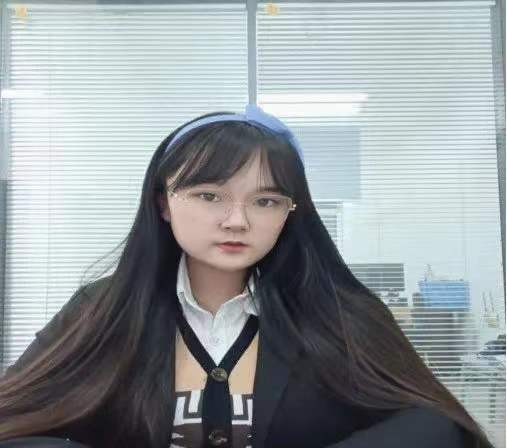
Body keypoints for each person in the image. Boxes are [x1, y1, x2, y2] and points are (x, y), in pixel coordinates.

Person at [0, 105, 495, 448]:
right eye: (209, 195)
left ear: (289, 213)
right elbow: (13, 420)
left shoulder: (340, 313)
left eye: (265, 201)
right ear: (163, 203)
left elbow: (438, 425)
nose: (237, 220)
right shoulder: (100, 310)